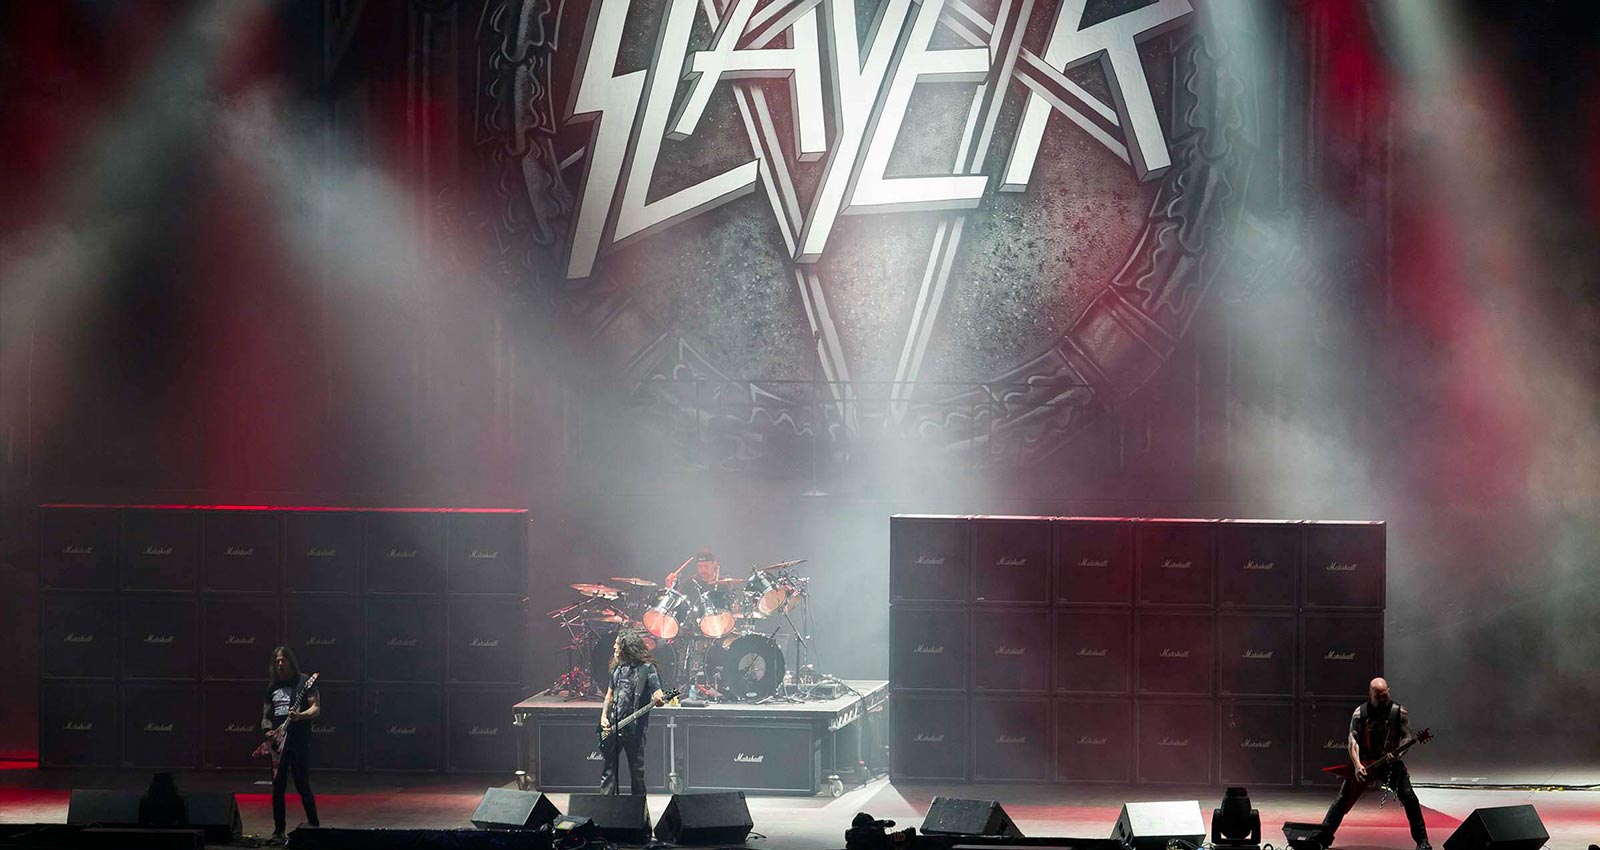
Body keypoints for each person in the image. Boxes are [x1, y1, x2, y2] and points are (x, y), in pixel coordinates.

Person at [1320, 677, 1430, 850]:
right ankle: (1321, 839)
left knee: (1410, 798)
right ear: (1370, 695)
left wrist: (1398, 754)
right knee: (1342, 800)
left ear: (1389, 691)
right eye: (1379, 696)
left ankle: (1422, 842)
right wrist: (1357, 765)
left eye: (1385, 695)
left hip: (1390, 764)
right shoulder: (1360, 713)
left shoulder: (1399, 712)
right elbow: (1353, 739)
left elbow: (1407, 736)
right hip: (1365, 764)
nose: (1383, 699)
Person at [262, 646, 321, 844]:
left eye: (283, 660)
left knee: (302, 783)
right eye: (277, 661)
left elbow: (316, 708)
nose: (280, 664)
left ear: (290, 662)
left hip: (298, 740)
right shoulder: (271, 688)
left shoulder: (304, 682)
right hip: (278, 745)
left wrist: (299, 716)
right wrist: (267, 731)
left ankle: (314, 825)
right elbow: (265, 717)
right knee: (278, 786)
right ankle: (278, 830)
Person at [599, 629, 666, 795]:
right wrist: (603, 717)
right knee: (608, 772)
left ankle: (639, 808)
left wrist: (659, 700)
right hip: (613, 726)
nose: (614, 647)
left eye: (617, 644)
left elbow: (658, 694)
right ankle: (605, 806)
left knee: (637, 773)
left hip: (635, 730)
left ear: (627, 647)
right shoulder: (618, 669)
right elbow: (609, 695)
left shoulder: (647, 669)